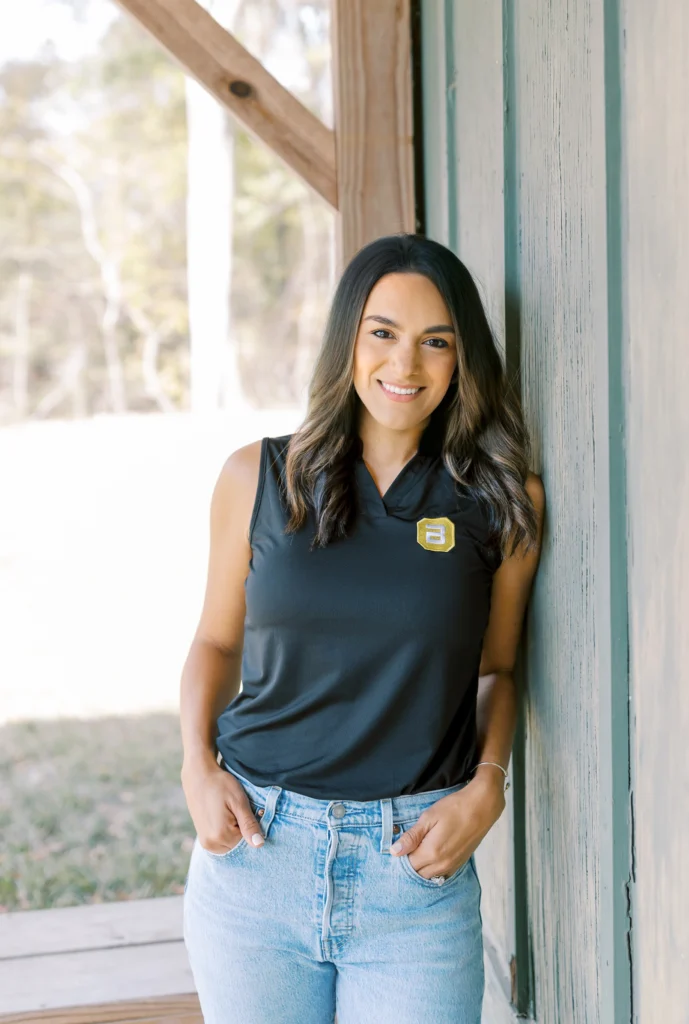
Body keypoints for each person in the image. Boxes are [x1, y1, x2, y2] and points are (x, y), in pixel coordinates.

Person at [179, 233, 545, 1024]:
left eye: (434, 342)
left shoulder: (499, 502)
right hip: (256, 856)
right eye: (382, 332)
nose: (403, 365)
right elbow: (214, 643)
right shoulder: (257, 476)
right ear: (347, 338)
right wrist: (193, 767)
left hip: (411, 873)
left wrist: (488, 785)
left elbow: (497, 671)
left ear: (461, 359)